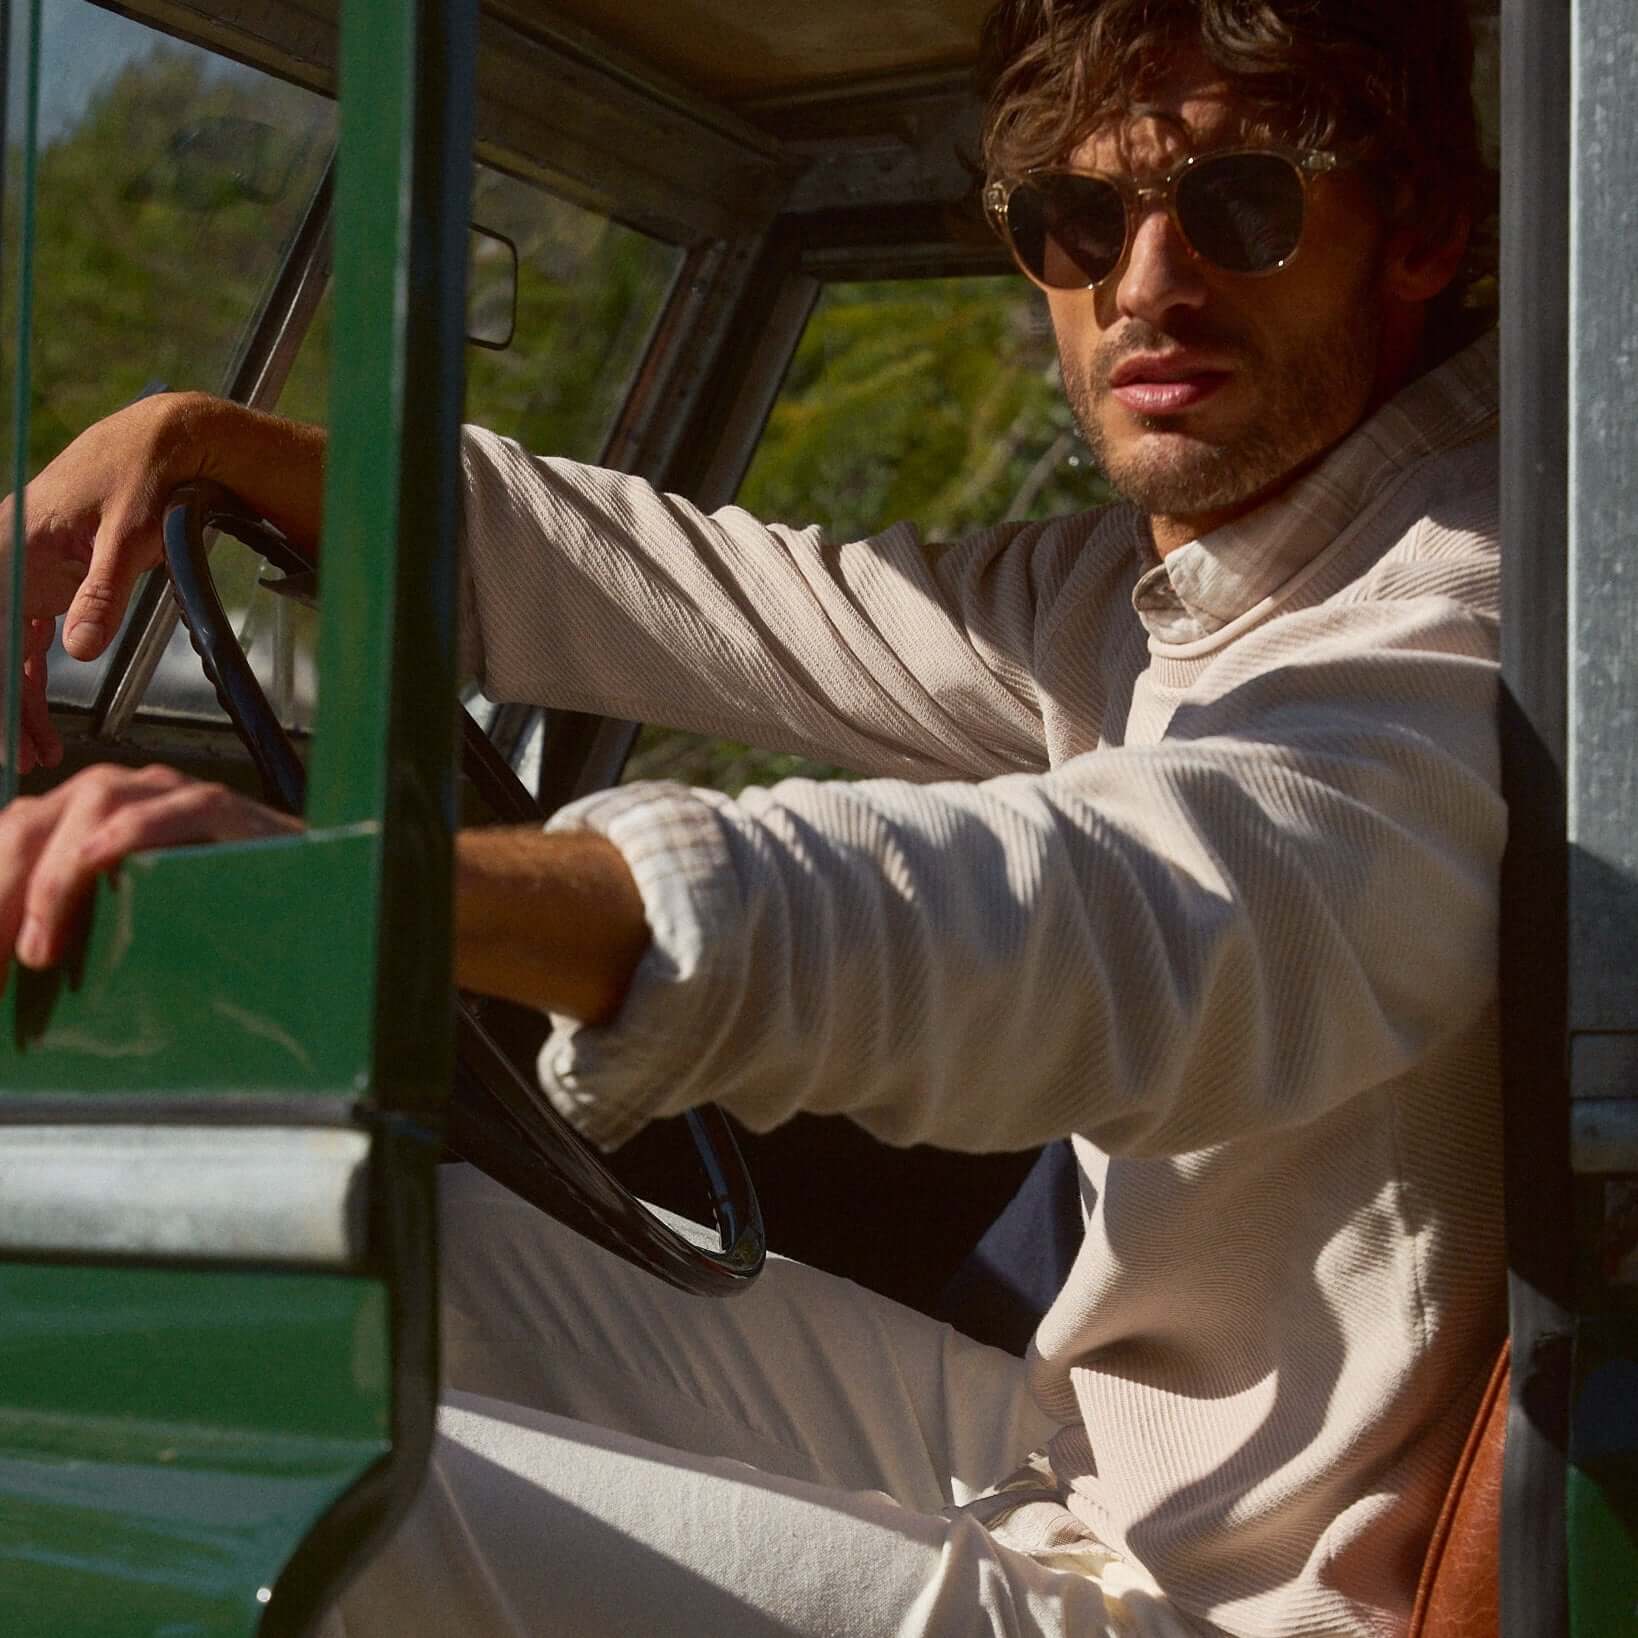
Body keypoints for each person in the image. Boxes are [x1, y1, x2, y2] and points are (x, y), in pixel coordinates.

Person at [0, 0, 1505, 1632]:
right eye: (1077, 222)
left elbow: (1089, 910)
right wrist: (215, 444)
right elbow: (739, 596)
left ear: (1416, 227)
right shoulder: (1169, 581)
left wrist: (403, 898)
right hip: (1097, 1455)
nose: (1139, 286)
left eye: (1239, 204)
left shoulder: (1452, 622)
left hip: (1237, 1600)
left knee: (212, 1478)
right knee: (335, 1240)